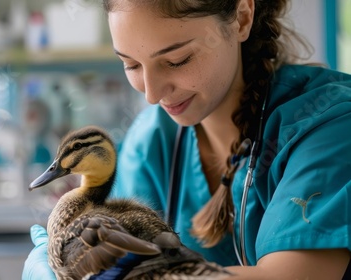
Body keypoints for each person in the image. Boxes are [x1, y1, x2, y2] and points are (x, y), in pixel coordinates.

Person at [23, 0, 351, 279]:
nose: (152, 94)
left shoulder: (329, 125)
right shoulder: (152, 140)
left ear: (242, 18)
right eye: (131, 64)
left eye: (177, 60)